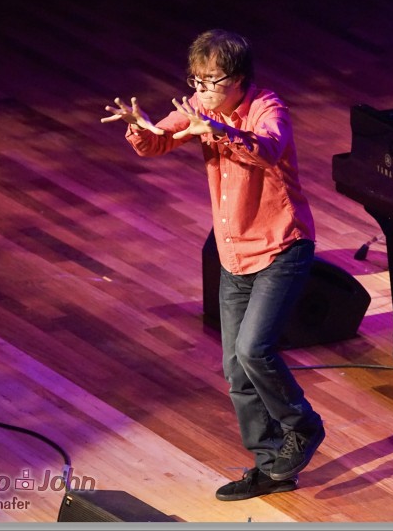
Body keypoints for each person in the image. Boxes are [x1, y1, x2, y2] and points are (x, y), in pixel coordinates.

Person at [100, 29, 325, 501]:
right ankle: (271, 468)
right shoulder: (203, 107)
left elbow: (267, 149)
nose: (201, 91)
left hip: (281, 248)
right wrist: (141, 126)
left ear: (239, 79)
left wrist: (221, 130)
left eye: (211, 81)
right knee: (235, 370)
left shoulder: (268, 108)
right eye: (196, 81)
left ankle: (302, 427)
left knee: (253, 350)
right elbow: (159, 140)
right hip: (233, 255)